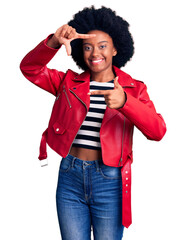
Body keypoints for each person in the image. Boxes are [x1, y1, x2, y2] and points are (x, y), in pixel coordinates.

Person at [20, 6, 166, 240]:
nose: (94, 52)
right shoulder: (67, 82)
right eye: (87, 47)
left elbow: (158, 131)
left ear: (116, 48)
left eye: (102, 46)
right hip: (70, 176)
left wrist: (126, 102)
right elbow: (30, 68)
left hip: (110, 180)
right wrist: (54, 42)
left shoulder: (133, 89)